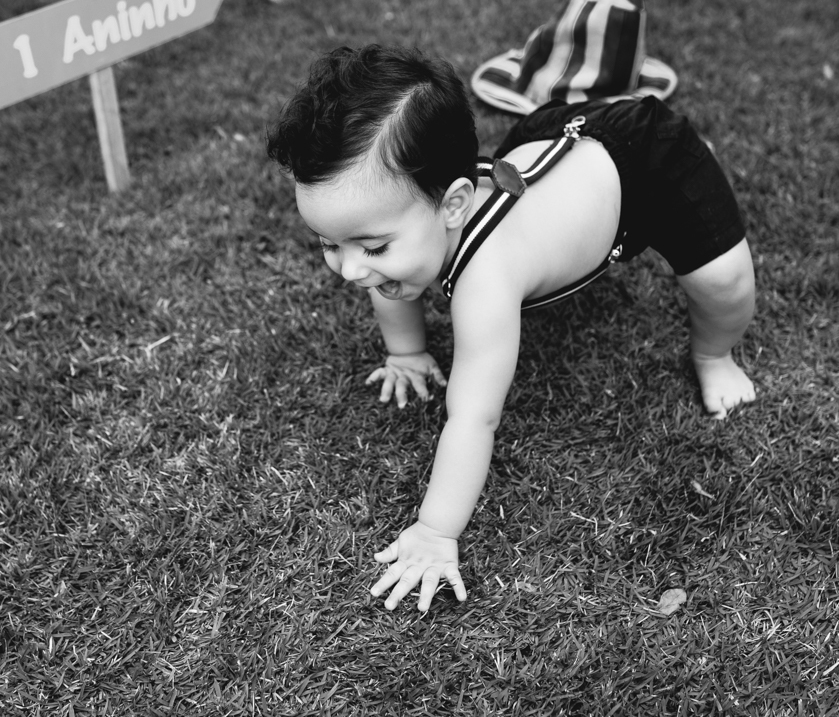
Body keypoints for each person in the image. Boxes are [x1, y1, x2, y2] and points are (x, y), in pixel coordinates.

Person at [265, 43, 756, 614]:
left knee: (724, 283)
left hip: (648, 166)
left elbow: (474, 416)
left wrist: (435, 530)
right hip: (548, 134)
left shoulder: (486, 279)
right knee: (393, 261)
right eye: (328, 244)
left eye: (371, 247)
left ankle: (715, 355)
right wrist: (406, 352)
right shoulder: (401, 227)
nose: (351, 270)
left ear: (454, 205)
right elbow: (385, 280)